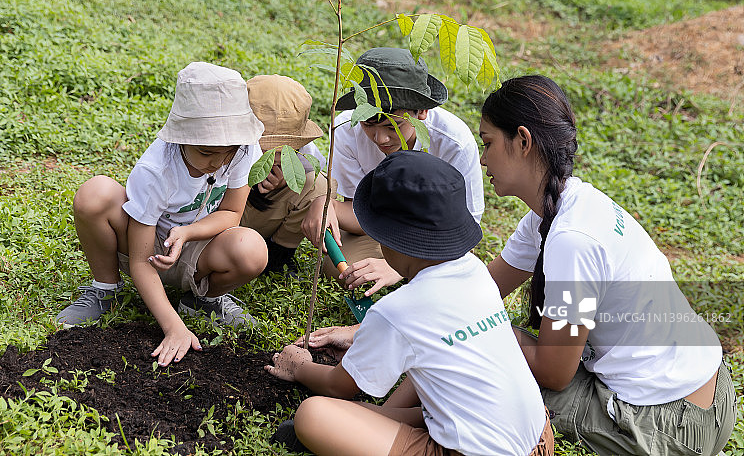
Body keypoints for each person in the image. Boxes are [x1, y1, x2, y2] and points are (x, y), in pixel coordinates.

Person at [479, 75, 736, 455]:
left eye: (487, 143)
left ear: (522, 140)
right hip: (711, 392)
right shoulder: (564, 208)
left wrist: (487, 335)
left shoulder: (573, 240)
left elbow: (554, 372)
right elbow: (484, 291)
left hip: (673, 427)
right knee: (486, 334)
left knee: (487, 360)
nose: (483, 158)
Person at [266, 150, 553, 456]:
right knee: (426, 392)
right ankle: (366, 428)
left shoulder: (398, 309)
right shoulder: (475, 272)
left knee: (313, 414)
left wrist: (299, 367)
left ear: (388, 239)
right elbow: (431, 347)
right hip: (538, 438)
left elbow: (340, 386)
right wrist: (362, 341)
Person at [56, 62, 268, 367]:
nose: (218, 163)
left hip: (200, 244)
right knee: (95, 193)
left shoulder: (246, 151)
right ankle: (105, 291)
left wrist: (187, 233)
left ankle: (201, 301)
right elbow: (142, 260)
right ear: (181, 137)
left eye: (228, 152)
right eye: (206, 153)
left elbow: (232, 212)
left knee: (251, 250)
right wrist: (173, 329)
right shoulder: (157, 169)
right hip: (147, 244)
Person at [301, 47, 484, 294]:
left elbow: (465, 228)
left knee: (438, 282)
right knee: (346, 271)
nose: (380, 138)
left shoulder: (453, 142)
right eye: (368, 125)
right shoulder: (346, 128)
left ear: (422, 112)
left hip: (435, 238)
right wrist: (327, 206)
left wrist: (397, 267)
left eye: (393, 126)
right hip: (380, 230)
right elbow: (360, 213)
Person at [240, 74, 331, 279]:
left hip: (262, 216)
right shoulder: (223, 143)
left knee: (316, 186)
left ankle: (278, 256)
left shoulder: (302, 148)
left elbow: (315, 178)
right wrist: (249, 184)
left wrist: (285, 178)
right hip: (223, 219)